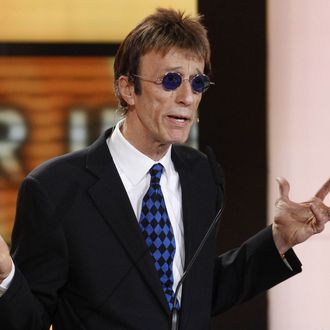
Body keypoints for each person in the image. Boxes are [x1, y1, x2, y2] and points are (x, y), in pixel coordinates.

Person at [0, 8, 329, 330]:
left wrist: (278, 240)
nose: (187, 97)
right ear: (128, 88)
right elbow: (31, 319)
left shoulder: (202, 174)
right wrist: (6, 277)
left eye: (198, 83)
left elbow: (194, 296)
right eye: (171, 80)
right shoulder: (53, 188)